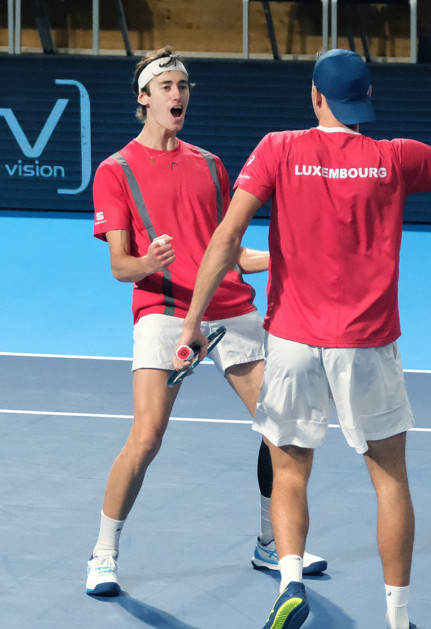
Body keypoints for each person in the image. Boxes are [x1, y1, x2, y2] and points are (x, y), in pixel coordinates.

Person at [174, 49, 431, 629]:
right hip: (368, 345)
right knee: (389, 479)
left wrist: (192, 323)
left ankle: (292, 581)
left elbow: (226, 239)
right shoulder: (398, 157)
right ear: (366, 100)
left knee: (290, 472)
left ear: (316, 97)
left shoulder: (278, 148)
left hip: (294, 342)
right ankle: (398, 620)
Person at [85, 46, 326, 598]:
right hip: (164, 312)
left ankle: (271, 544)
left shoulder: (212, 165)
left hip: (231, 308)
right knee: (146, 437)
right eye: (166, 85)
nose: (177, 94)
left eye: (184, 86)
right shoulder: (115, 171)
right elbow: (121, 266)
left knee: (281, 429)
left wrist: (291, 256)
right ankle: (103, 551)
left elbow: (235, 254)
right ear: (143, 98)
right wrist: (149, 263)